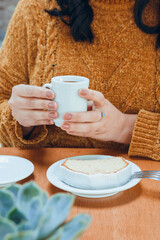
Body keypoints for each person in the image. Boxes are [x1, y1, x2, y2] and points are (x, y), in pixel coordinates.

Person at [0, 0, 159, 160]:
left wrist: (125, 128)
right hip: (45, 176)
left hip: (143, 178)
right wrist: (22, 123)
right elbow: (3, 103)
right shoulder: (36, 6)